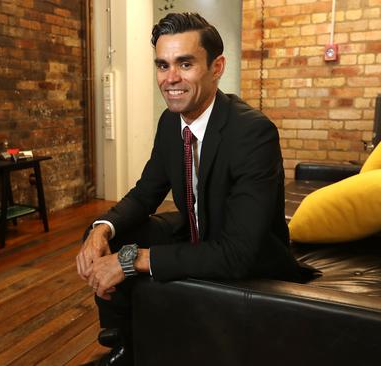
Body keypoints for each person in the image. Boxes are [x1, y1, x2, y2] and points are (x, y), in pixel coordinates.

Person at [76, 12, 307, 366]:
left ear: (217, 68)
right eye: (162, 65)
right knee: (110, 234)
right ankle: (123, 344)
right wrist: (100, 229)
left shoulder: (253, 133)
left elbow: (238, 252)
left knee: (124, 253)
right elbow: (144, 194)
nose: (171, 79)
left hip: (249, 259)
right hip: (196, 233)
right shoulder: (171, 122)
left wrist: (129, 261)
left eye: (185, 64)